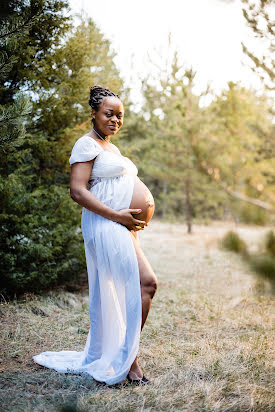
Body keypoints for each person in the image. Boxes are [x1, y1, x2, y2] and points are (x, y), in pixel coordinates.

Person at [33, 85, 157, 385]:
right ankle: (129, 361)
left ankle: (125, 357)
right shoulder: (86, 145)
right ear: (94, 113)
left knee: (135, 287)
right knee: (145, 284)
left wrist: (131, 226)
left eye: (120, 115)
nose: (115, 120)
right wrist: (118, 216)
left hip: (120, 226)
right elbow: (77, 190)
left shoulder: (110, 148)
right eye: (109, 114)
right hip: (105, 223)